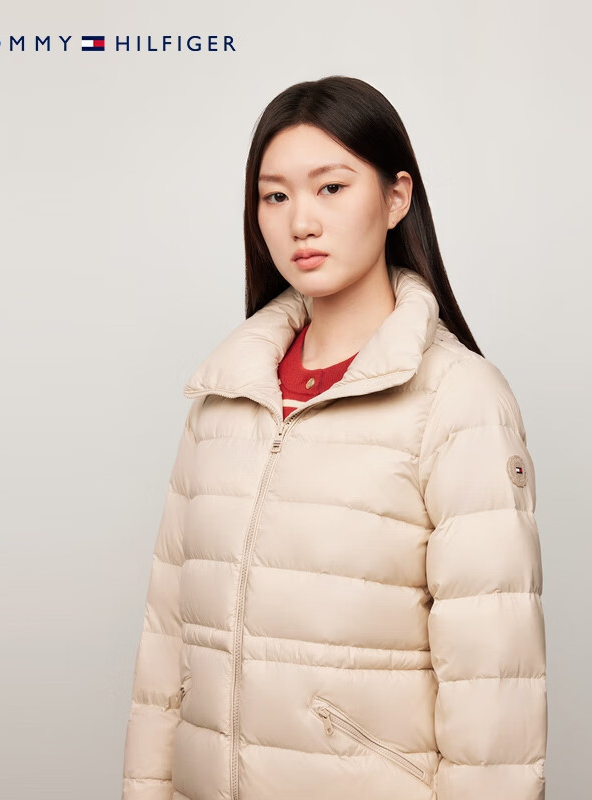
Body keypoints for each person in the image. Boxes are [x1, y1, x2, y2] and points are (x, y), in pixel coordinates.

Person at [121, 75, 547, 800]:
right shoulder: (224, 399)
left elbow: (493, 688)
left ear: (396, 198)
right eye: (275, 196)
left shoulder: (459, 400)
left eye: (331, 188)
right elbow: (165, 652)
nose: (300, 222)